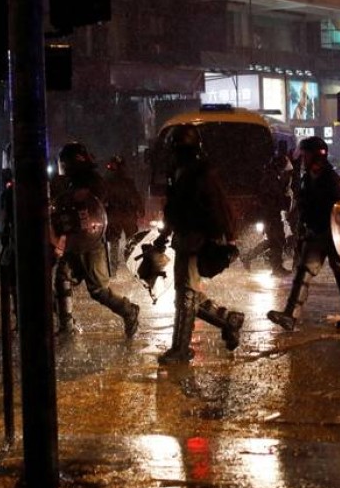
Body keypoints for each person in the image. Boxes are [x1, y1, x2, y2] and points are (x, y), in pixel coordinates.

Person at [158, 125, 245, 363]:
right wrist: (163, 236)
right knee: (188, 294)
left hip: (197, 240)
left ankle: (180, 349)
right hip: (185, 238)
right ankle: (229, 320)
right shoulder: (179, 173)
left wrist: (225, 239)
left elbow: (220, 210)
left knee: (186, 294)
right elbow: (173, 210)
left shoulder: (201, 174)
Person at [267, 136, 340, 331]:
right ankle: (290, 315)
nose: (302, 158)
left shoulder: (331, 179)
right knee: (303, 272)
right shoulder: (308, 177)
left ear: (314, 155)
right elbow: (304, 204)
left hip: (334, 235)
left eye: (305, 154)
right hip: (316, 233)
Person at [49, 143, 140, 339]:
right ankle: (67, 325)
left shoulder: (93, 180)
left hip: (91, 243)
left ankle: (128, 310)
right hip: (75, 241)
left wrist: (87, 195)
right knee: (62, 279)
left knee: (98, 290)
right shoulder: (72, 182)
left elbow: (99, 202)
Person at [243, 141, 294, 275]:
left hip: (271, 213)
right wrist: (284, 200)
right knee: (276, 240)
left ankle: (253, 258)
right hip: (269, 214)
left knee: (274, 240)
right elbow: (274, 197)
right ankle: (275, 267)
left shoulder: (272, 176)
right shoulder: (270, 178)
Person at [102, 155, 145, 271]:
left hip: (117, 214)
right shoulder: (126, 181)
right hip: (125, 214)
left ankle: (114, 268)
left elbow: (103, 198)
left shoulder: (108, 181)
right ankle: (131, 265)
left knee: (117, 241)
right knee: (129, 241)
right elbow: (135, 196)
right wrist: (140, 209)